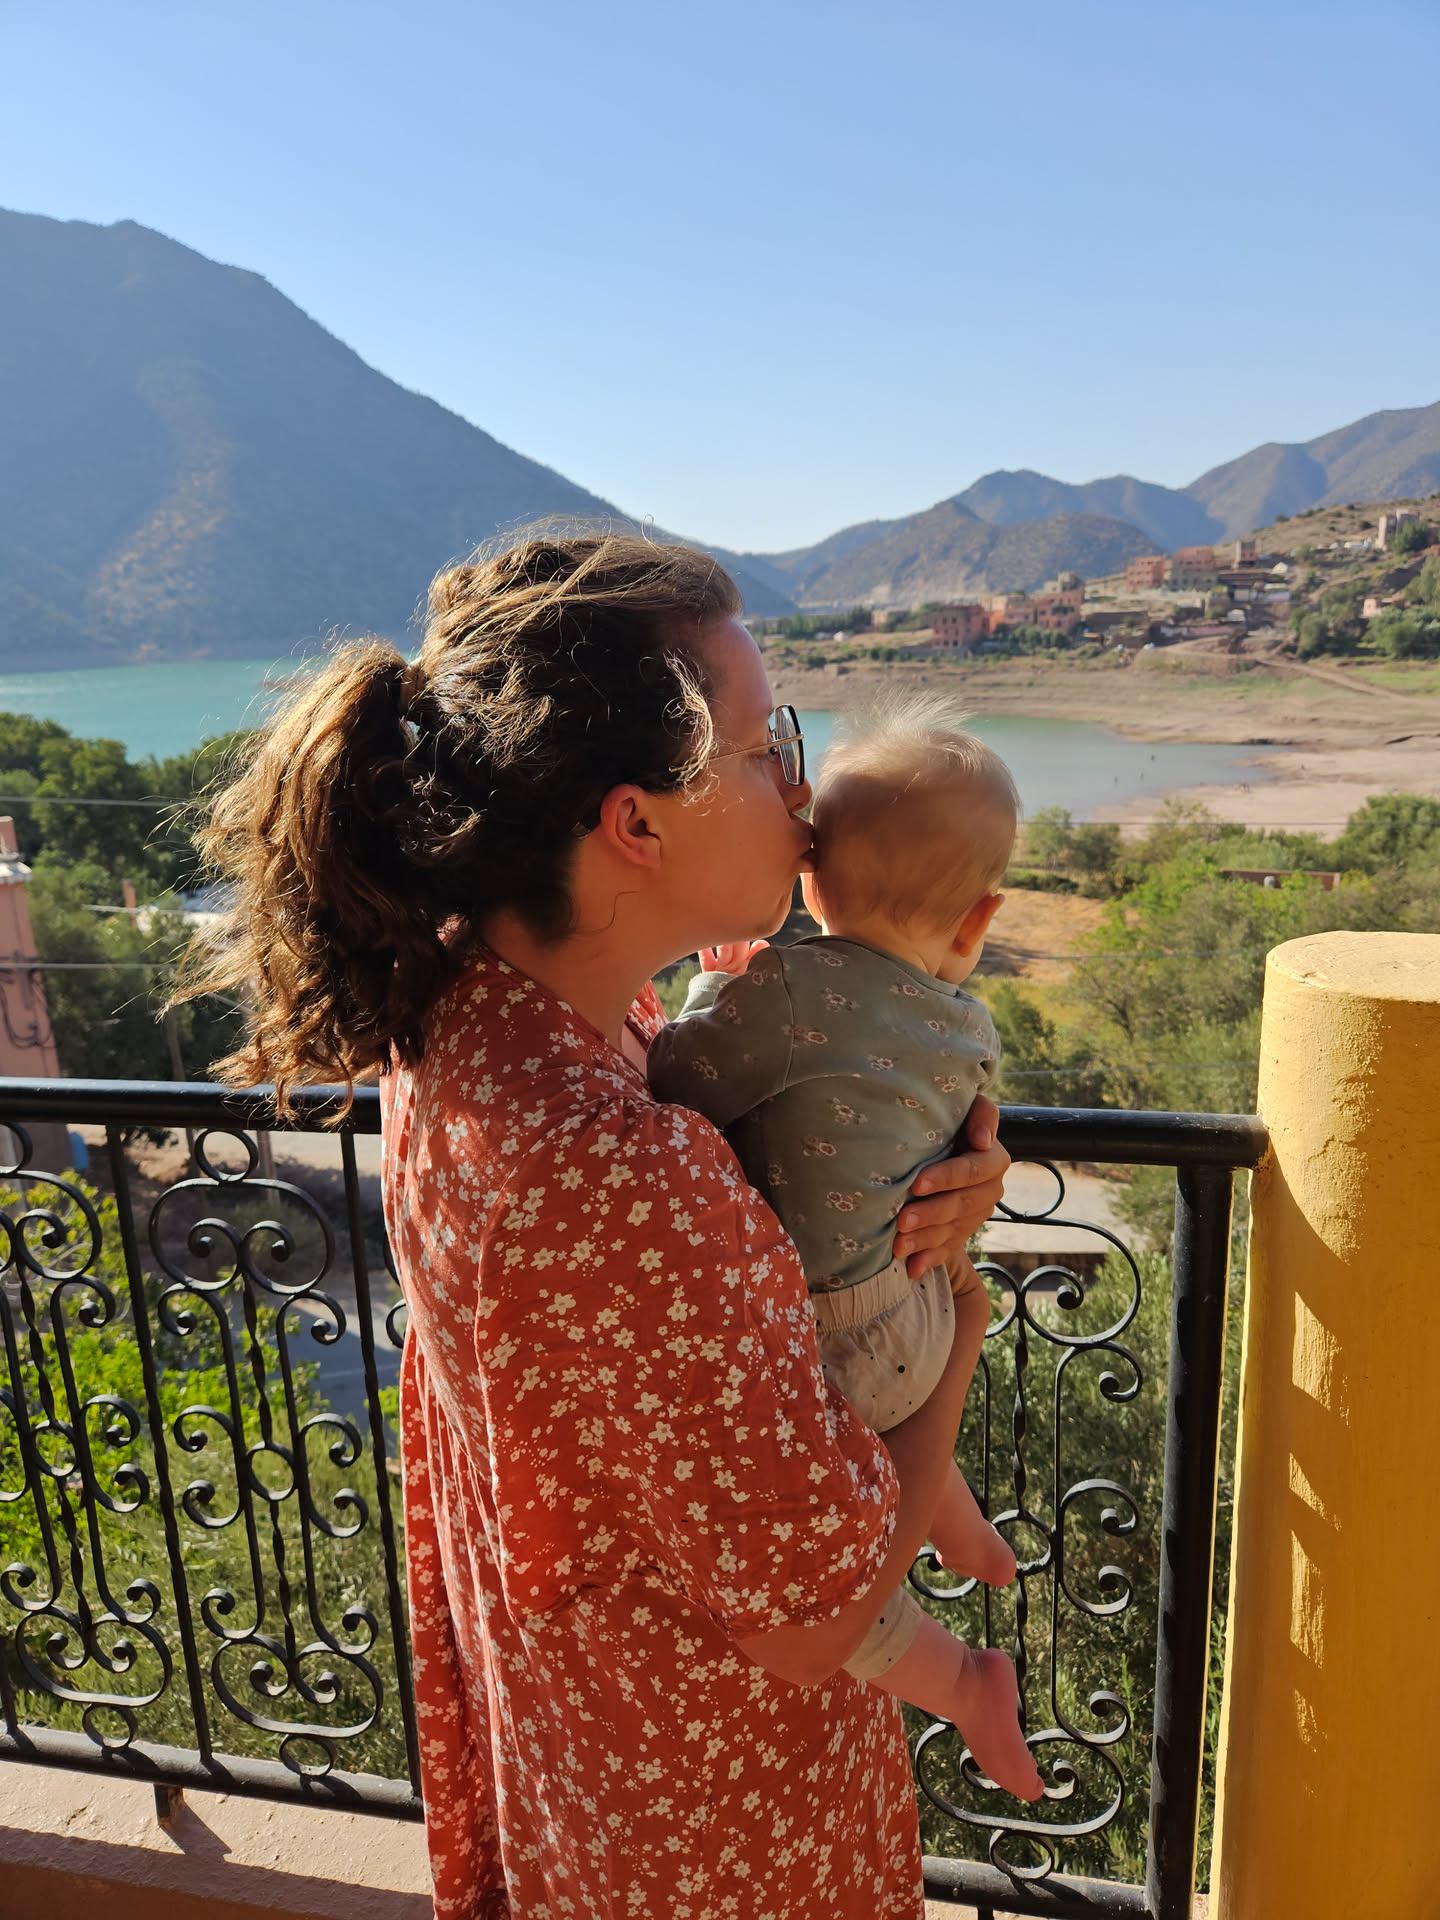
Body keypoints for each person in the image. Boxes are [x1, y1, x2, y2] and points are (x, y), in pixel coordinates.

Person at [189, 532, 1016, 1920]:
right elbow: (816, 1622)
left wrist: (910, 1174)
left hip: (587, 1746)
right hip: (716, 1809)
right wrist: (961, 1334)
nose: (802, 793)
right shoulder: (615, 1169)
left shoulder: (479, 1019)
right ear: (637, 823)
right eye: (766, 747)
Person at [648, 697, 1043, 1800]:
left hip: (828, 1340)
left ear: (811, 879)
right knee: (898, 1422)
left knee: (834, 1592)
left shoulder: (785, 990)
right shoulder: (967, 1025)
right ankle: (962, 1528)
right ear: (980, 918)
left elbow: (678, 1082)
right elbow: (956, 1139)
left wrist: (714, 986)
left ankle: (964, 1682)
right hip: (919, 1300)